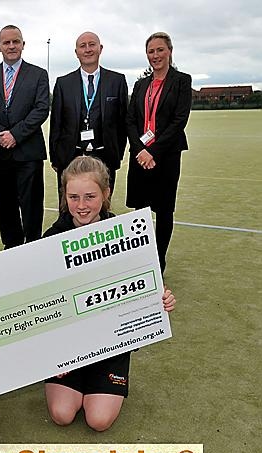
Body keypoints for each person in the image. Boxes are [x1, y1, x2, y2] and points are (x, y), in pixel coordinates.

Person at [43, 156, 176, 431]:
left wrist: (159, 300)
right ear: (64, 196)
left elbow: (145, 287)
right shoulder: (49, 241)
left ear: (106, 194)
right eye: (74, 197)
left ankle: (102, 381)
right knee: (62, 413)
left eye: (90, 196)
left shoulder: (128, 236)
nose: (81, 206)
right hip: (68, 347)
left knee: (98, 420)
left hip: (111, 346)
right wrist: (51, 354)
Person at [126, 32, 192, 274]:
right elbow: (131, 119)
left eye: (160, 50)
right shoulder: (141, 84)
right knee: (140, 210)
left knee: (164, 210)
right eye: (151, 51)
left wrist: (152, 151)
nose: (155, 55)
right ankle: (140, 260)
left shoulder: (182, 81)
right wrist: (140, 149)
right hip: (140, 155)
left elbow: (179, 121)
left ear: (170, 51)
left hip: (166, 155)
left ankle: (158, 262)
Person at [0, 25, 49, 249]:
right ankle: (11, 250)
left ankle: (33, 248)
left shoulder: (39, 74)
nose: (11, 46)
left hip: (28, 153)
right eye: (6, 42)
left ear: (23, 44)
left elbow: (41, 109)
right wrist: (1, 134)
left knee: (31, 206)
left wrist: (15, 134)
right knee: (5, 205)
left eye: (16, 41)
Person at [49, 31, 127, 195]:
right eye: (82, 46)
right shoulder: (63, 83)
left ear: (100, 48)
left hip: (105, 157)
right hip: (70, 157)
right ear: (76, 52)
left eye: (92, 44)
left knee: (102, 207)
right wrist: (56, 158)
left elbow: (122, 122)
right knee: (69, 208)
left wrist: (117, 154)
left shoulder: (117, 81)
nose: (87, 49)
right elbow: (56, 123)